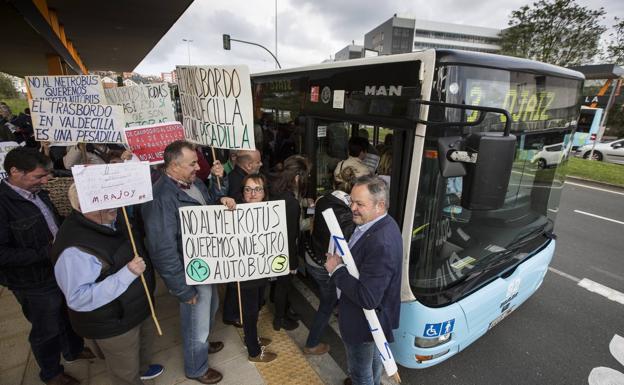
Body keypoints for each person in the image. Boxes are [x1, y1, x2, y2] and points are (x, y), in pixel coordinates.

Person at [142, 140, 235, 385]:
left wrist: (221, 192)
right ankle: (196, 367)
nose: (198, 167)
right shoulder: (161, 197)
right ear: (173, 165)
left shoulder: (191, 184)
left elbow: (210, 205)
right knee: (196, 320)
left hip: (206, 265)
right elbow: (162, 249)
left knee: (210, 307)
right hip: (190, 271)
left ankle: (201, 344)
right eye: (192, 163)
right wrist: (181, 288)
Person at [51, 184, 163, 385]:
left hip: (136, 305)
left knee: (143, 346)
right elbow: (79, 298)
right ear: (81, 206)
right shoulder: (74, 249)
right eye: (102, 202)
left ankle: (143, 370)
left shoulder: (112, 218)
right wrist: (127, 274)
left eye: (111, 199)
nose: (112, 206)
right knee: (124, 370)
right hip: (113, 320)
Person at [0, 147, 93, 385]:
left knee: (67, 312)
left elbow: (52, 221)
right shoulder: (3, 204)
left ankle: (73, 349)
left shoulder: (39, 192)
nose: (46, 180)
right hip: (32, 281)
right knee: (46, 328)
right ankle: (52, 373)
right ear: (14, 172)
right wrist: (45, 252)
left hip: (59, 270)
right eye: (39, 176)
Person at [325, 176, 403, 385]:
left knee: (360, 373)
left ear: (380, 205)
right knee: (374, 362)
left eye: (360, 204)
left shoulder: (381, 242)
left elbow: (367, 298)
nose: (353, 208)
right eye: (351, 201)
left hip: (363, 323)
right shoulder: (382, 224)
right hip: (373, 322)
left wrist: (336, 269)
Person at [303, 174, 356, 356]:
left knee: (330, 298)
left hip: (311, 257)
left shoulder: (323, 199)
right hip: (326, 267)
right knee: (327, 304)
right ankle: (312, 343)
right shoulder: (349, 214)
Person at [222, 149, 264, 327]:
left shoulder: (234, 176)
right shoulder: (235, 180)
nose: (261, 164)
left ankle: (232, 314)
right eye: (258, 162)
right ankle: (234, 315)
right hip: (239, 243)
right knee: (237, 286)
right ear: (248, 165)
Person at [238, 173, 277, 363]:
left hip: (262, 270)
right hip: (245, 274)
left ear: (264, 192)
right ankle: (253, 351)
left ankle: (251, 338)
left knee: (257, 306)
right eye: (248, 189)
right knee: (250, 310)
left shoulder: (270, 212)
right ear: (242, 192)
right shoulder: (233, 212)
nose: (252, 194)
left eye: (257, 189)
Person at [269, 155, 310, 331]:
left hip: (272, 246)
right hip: (283, 252)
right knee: (283, 285)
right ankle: (280, 319)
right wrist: (292, 262)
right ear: (297, 177)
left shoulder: (274, 188)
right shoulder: (291, 203)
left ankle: (283, 311)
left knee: (278, 285)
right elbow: (291, 236)